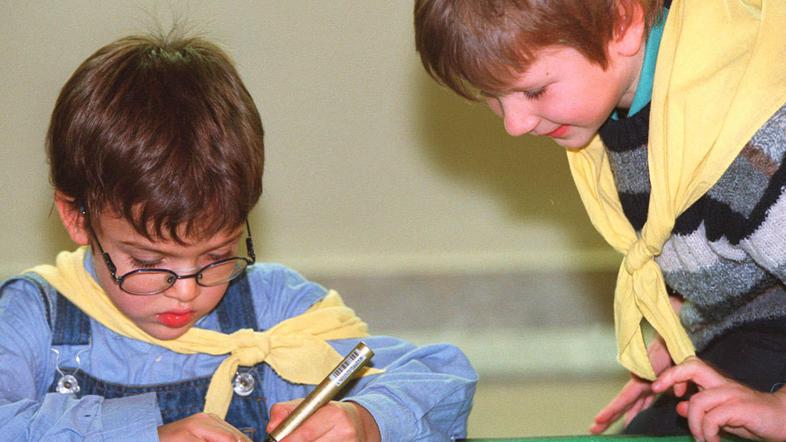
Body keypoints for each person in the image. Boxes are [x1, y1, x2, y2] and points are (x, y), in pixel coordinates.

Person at [0, 31, 477, 442]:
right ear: (77, 217)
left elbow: (443, 377)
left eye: (217, 254)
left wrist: (367, 419)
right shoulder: (34, 320)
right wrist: (141, 433)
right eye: (149, 262)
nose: (187, 290)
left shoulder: (270, 308)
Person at [414, 0, 786, 438]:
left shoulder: (753, 136)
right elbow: (721, 243)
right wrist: (685, 329)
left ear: (623, 23)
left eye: (534, 91)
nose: (514, 124)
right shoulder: (633, 109)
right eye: (491, 98)